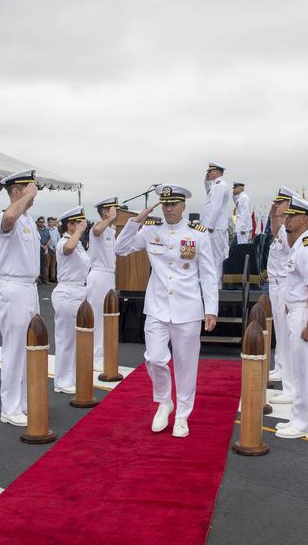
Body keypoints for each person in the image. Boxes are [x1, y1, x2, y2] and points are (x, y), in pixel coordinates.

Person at [115, 184, 218, 438]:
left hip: (188, 308)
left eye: (174, 204)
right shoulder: (150, 231)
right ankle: (164, 401)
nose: (169, 209)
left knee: (186, 364)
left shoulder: (198, 234)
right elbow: (120, 248)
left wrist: (211, 308)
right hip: (157, 307)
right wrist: (135, 221)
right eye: (165, 204)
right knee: (154, 358)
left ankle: (182, 415)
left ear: (184, 206)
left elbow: (208, 274)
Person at [274, 195, 308, 440]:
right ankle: (299, 418)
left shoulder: (307, 249)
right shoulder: (301, 245)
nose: (288, 218)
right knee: (299, 371)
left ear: (304, 219)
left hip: (306, 314)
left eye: (292, 215)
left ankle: (306, 424)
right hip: (298, 311)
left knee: (306, 373)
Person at [0, 170, 42, 426]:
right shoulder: (7, 216)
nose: (35, 190)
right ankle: (9, 407)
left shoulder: (28, 219)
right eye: (29, 187)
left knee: (28, 347)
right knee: (14, 349)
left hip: (29, 287)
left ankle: (22, 402)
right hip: (13, 287)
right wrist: (24, 199)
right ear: (16, 191)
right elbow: (9, 216)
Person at [266, 186, 301, 406]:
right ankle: (280, 369)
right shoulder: (282, 230)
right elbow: (273, 232)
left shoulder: (291, 232)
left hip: (285, 286)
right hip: (275, 284)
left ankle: (291, 387)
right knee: (280, 331)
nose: (276, 206)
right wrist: (274, 215)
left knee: (288, 337)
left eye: (280, 203)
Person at [52, 207, 90, 393]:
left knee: (75, 339)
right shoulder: (65, 242)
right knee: (66, 339)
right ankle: (61, 381)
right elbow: (68, 249)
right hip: (67, 292)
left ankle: (71, 376)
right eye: (77, 223)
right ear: (70, 225)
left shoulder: (79, 243)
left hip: (80, 291)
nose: (82, 225)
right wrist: (80, 231)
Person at [86, 196, 120, 370]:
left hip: (109, 277)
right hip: (99, 276)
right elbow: (97, 230)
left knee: (107, 317)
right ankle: (95, 358)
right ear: (106, 211)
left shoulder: (111, 231)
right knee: (98, 318)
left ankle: (103, 355)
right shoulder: (97, 228)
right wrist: (109, 218)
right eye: (113, 209)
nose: (117, 212)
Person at [202, 162, 232, 281]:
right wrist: (206, 181)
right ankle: (212, 282)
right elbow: (209, 193)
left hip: (214, 227)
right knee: (210, 256)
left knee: (216, 257)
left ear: (217, 172)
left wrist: (209, 225)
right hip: (213, 226)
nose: (209, 173)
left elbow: (215, 206)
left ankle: (216, 284)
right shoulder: (216, 185)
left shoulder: (220, 185)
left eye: (210, 171)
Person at [37, 216, 50, 284]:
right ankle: (39, 279)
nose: (42, 223)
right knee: (38, 265)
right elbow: (36, 240)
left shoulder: (47, 230)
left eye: (43, 222)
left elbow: (49, 238)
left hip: (45, 249)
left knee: (45, 265)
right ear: (38, 222)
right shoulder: (36, 230)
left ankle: (45, 279)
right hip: (38, 250)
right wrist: (42, 246)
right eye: (40, 222)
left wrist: (46, 245)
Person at [46, 217, 60, 282]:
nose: (51, 223)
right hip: (49, 248)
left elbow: (58, 238)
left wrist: (56, 247)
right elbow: (47, 240)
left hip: (55, 248)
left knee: (53, 264)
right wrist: (51, 248)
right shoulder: (46, 230)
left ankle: (53, 277)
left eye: (52, 222)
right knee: (47, 263)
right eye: (50, 222)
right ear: (48, 222)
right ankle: (46, 278)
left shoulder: (56, 229)